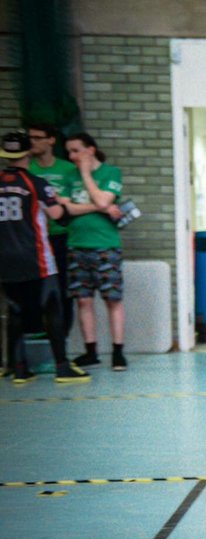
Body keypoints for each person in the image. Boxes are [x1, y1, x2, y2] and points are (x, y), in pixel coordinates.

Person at [0, 132, 90, 384]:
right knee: (52, 309)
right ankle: (62, 366)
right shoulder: (36, 183)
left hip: (5, 258)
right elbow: (57, 214)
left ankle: (18, 368)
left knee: (15, 310)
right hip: (35, 256)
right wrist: (63, 203)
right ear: (28, 153)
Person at [62, 133, 127, 371]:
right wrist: (102, 208)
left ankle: (118, 351)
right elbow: (66, 207)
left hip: (105, 245)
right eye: (69, 152)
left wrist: (87, 175)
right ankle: (91, 351)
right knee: (83, 300)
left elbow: (103, 200)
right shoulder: (70, 175)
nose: (72, 156)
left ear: (90, 150)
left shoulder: (110, 173)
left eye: (76, 150)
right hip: (76, 244)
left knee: (113, 299)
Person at [27, 123, 79, 336]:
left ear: (51, 140)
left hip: (62, 236)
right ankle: (35, 337)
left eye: (38, 138)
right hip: (34, 239)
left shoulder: (67, 169)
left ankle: (62, 339)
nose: (33, 142)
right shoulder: (27, 170)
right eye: (30, 138)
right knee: (34, 289)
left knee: (63, 290)